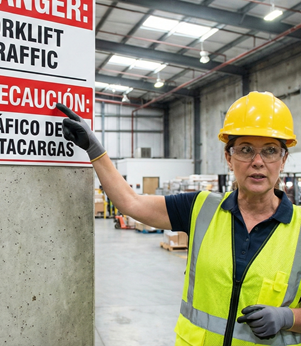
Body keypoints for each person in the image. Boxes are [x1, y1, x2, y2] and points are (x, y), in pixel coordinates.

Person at [56, 91, 301, 346]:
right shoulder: (200, 208)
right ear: (228, 158)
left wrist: (288, 317)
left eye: (270, 150)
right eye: (246, 150)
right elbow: (132, 203)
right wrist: (95, 149)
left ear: (283, 159)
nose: (258, 161)